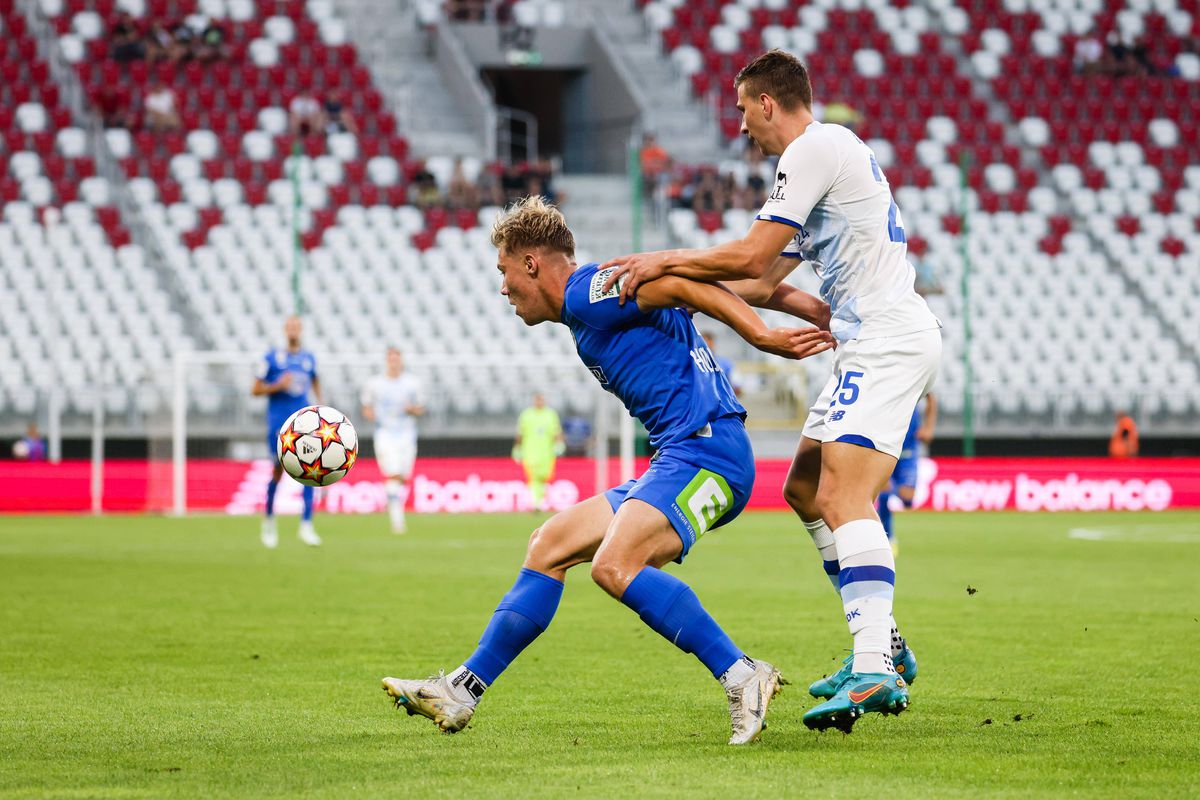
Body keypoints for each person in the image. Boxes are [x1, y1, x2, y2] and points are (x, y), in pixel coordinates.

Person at [381, 196, 833, 744]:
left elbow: (685, 286)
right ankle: (462, 689)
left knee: (615, 566)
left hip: (707, 451)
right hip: (681, 455)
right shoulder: (587, 307)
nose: (503, 288)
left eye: (503, 271)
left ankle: (743, 675)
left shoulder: (585, 290)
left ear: (531, 263)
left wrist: (760, 336)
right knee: (551, 544)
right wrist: (810, 305)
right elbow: (735, 287)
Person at [599, 49, 942, 733]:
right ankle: (886, 643)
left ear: (767, 103)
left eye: (741, 111)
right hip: (869, 337)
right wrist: (689, 292)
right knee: (804, 488)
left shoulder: (814, 148)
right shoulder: (818, 163)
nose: (740, 128)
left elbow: (751, 258)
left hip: (886, 337)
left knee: (845, 494)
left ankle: (873, 662)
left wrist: (663, 259)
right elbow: (759, 283)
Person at [251, 315, 322, 548]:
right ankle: (269, 521)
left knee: (310, 470)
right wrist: (276, 386)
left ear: (300, 330)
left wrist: (321, 409)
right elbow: (255, 389)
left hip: (303, 426)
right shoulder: (271, 358)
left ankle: (307, 524)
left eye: (296, 326)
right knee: (278, 471)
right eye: (290, 326)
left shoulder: (308, 358)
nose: (293, 330)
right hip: (279, 425)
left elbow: (315, 380)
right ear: (285, 330)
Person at [362, 347, 425, 534]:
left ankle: (391, 500)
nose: (394, 361)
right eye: (391, 358)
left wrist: (412, 410)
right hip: (385, 434)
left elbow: (420, 408)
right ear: (387, 361)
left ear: (401, 361)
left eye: (397, 358)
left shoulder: (412, 383)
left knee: (403, 477)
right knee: (393, 473)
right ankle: (397, 520)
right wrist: (371, 415)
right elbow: (366, 407)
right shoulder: (375, 383)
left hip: (407, 435)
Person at [875, 393, 936, 553]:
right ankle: (888, 538)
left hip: (908, 454)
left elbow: (931, 397)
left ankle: (889, 488)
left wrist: (928, 427)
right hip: (885, 452)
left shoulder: (911, 379)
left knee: (907, 499)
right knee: (884, 494)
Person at [513, 392, 564, 512]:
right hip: (530, 452)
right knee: (533, 477)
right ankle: (536, 503)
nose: (539, 402)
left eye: (541, 400)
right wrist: (517, 448)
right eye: (537, 400)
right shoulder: (526, 415)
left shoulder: (550, 414)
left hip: (547, 453)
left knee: (544, 476)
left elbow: (557, 432)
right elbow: (520, 433)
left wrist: (559, 444)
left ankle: (539, 500)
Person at [702, 331, 741, 397]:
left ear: (712, 344)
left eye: (707, 343)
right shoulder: (692, 364)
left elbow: (737, 388)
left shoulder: (726, 364)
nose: (705, 347)